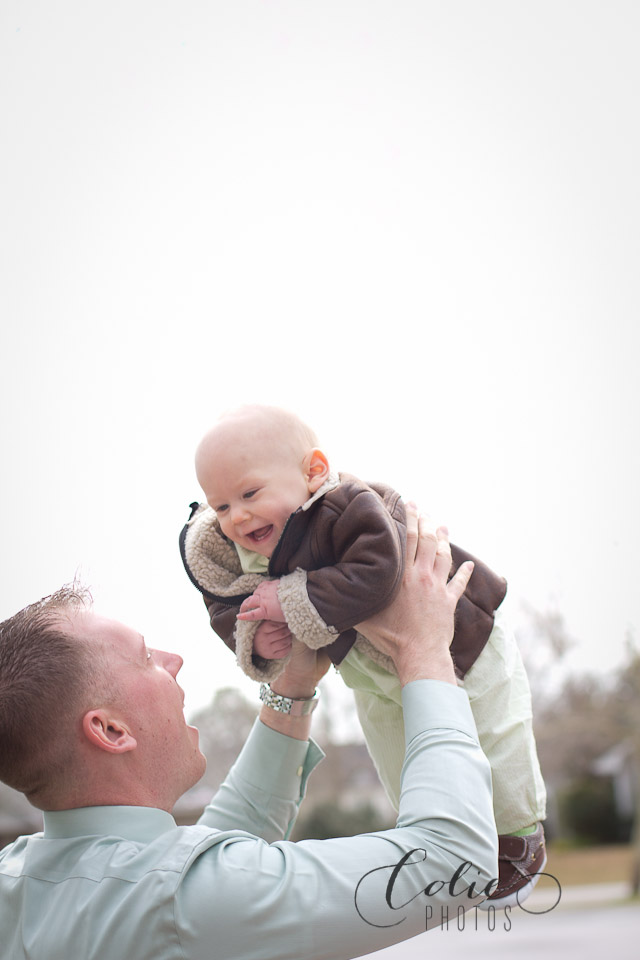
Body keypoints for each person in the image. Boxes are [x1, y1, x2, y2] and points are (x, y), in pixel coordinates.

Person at [0, 509, 497, 960]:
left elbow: (201, 857)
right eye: (147, 657)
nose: (174, 662)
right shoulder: (188, 901)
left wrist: (293, 688)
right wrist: (425, 648)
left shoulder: (14, 880)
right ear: (111, 730)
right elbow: (453, 861)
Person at [181, 404, 547, 906]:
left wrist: (291, 598)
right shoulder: (232, 548)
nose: (236, 516)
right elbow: (229, 601)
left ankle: (518, 841)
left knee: (496, 735)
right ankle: (440, 848)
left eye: (249, 493)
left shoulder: (347, 506)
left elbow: (377, 570)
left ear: (312, 472)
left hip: (462, 638)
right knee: (399, 759)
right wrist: (255, 640)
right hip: (368, 669)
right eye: (220, 506)